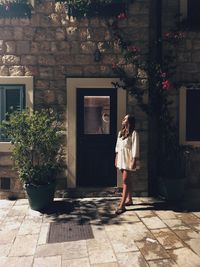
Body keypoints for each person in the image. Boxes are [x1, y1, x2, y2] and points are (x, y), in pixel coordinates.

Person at [115, 114, 140, 215]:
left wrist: (134, 159)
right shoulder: (120, 133)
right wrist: (116, 157)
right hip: (121, 158)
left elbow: (135, 147)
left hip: (128, 159)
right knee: (127, 180)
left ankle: (122, 205)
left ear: (129, 121)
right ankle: (129, 199)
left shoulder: (134, 133)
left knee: (125, 180)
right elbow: (117, 146)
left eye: (125, 118)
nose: (123, 119)